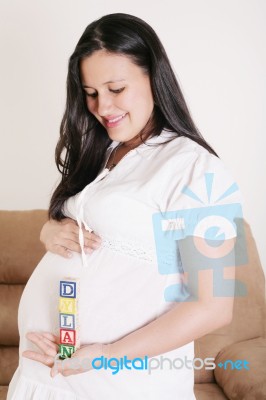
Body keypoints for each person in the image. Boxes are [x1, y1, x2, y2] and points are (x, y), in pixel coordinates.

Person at [7, 12, 242, 400]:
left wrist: (107, 355)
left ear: (154, 76)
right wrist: (49, 229)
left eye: (117, 88)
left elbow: (213, 307)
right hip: (48, 371)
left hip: (116, 382)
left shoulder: (197, 170)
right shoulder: (104, 152)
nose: (103, 106)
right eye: (91, 92)